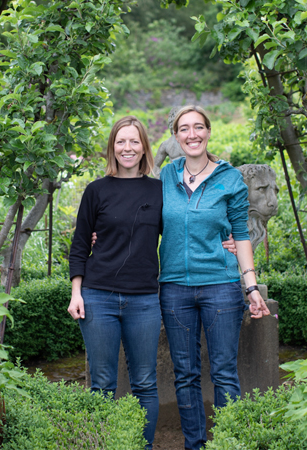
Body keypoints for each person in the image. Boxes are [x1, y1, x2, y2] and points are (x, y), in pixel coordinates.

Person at [68, 116, 237, 449]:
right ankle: (104, 444)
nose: (127, 148)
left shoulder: (159, 190)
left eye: (134, 142)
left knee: (145, 383)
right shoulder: (95, 191)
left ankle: (142, 446)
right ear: (112, 148)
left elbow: (183, 226)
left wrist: (224, 239)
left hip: (144, 300)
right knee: (102, 384)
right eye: (121, 142)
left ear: (144, 147)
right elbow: (78, 245)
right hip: (98, 297)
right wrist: (77, 293)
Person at [158, 105, 270, 450]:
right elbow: (143, 218)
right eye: (184, 129)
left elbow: (241, 232)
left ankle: (229, 442)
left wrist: (250, 285)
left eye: (198, 127)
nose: (192, 135)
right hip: (174, 288)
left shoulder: (229, 178)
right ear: (176, 136)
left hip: (220, 287)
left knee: (223, 373)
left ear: (208, 133)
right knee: (186, 374)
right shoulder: (166, 176)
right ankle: (195, 444)